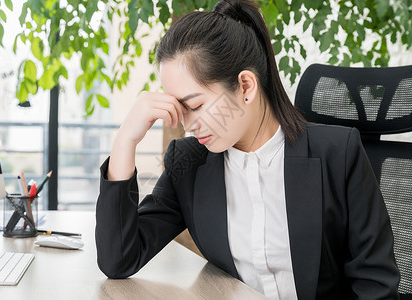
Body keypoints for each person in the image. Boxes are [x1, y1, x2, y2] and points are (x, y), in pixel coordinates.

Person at [95, 0, 400, 299]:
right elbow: (119, 259)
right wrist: (125, 142)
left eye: (196, 105)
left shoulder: (338, 153)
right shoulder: (188, 163)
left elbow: (376, 285)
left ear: (246, 86)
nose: (189, 125)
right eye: (180, 108)